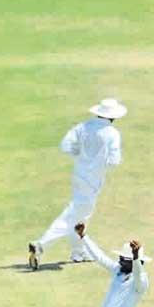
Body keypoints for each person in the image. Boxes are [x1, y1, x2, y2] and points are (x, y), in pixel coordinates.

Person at [28, 99, 126, 270]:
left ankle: (78, 252)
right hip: (93, 180)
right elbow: (114, 160)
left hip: (79, 175)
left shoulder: (83, 126)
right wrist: (99, 163)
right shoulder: (112, 133)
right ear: (112, 117)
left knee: (81, 216)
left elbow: (65, 146)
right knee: (73, 216)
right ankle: (41, 245)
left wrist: (82, 157)